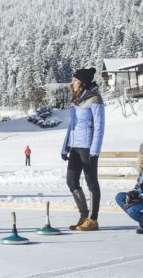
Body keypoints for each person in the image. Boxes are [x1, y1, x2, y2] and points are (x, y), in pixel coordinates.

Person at [61, 67, 105, 231]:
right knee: (71, 181)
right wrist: (65, 146)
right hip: (75, 146)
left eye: (75, 80)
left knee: (91, 182)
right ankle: (84, 215)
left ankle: (93, 220)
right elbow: (71, 126)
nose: (72, 83)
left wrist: (95, 150)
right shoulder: (76, 100)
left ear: (83, 83)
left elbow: (100, 127)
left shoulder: (95, 99)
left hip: (88, 147)